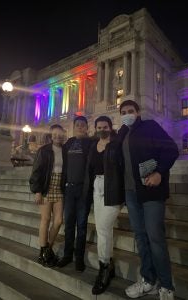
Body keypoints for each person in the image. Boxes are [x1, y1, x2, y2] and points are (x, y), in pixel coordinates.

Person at [117, 100, 179, 300]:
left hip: (151, 191)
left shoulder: (150, 126)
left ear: (138, 112)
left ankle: (167, 286)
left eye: (130, 111)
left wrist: (160, 172)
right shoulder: (122, 133)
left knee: (155, 238)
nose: (127, 114)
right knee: (141, 238)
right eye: (124, 112)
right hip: (131, 193)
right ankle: (148, 280)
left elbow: (171, 150)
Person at [83, 116, 125, 295]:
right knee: (105, 230)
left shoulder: (117, 145)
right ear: (95, 128)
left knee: (103, 228)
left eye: (105, 126)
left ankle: (104, 267)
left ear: (110, 127)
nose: (102, 129)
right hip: (97, 189)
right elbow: (90, 170)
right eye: (99, 127)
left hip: (113, 188)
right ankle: (109, 265)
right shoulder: (93, 147)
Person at [57, 115, 93, 272]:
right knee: (69, 224)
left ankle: (79, 258)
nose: (79, 127)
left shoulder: (91, 143)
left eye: (82, 125)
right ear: (73, 127)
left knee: (82, 225)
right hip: (69, 189)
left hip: (83, 189)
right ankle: (67, 255)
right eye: (77, 124)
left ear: (86, 127)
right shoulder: (68, 144)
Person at [29, 124, 65, 267]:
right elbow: (36, 171)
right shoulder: (44, 150)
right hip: (45, 187)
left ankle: (48, 248)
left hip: (59, 188)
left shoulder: (65, 150)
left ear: (63, 134)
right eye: (55, 134)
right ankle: (43, 251)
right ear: (51, 135)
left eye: (60, 133)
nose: (58, 136)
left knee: (58, 221)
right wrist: (37, 191)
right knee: (46, 219)